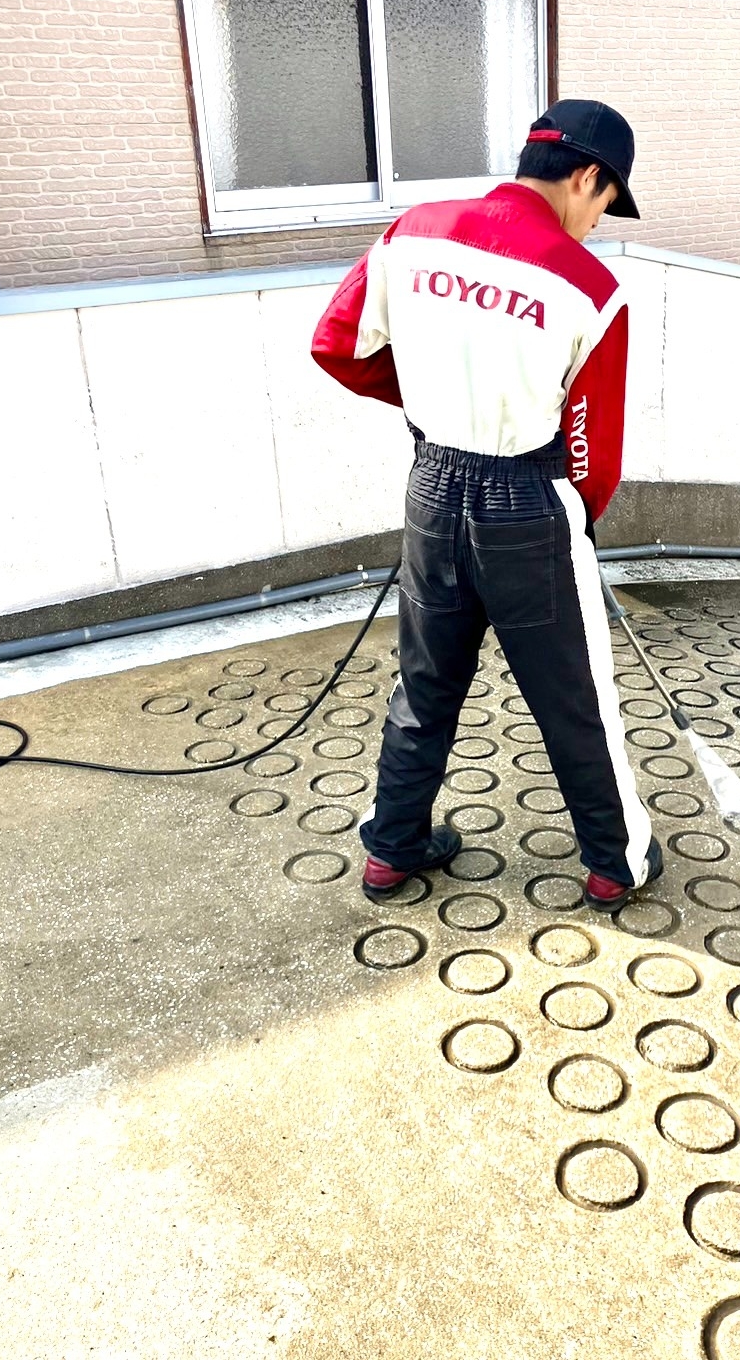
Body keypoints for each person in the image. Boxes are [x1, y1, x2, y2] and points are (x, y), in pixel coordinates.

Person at [310, 99, 662, 913]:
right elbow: (592, 452)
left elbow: (336, 345)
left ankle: (392, 847)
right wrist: (573, 520)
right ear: (586, 177)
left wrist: (434, 402)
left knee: (424, 682)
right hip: (528, 502)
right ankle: (615, 863)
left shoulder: (413, 233)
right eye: (606, 203)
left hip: (432, 486)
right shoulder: (590, 287)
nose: (597, 223)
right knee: (572, 697)